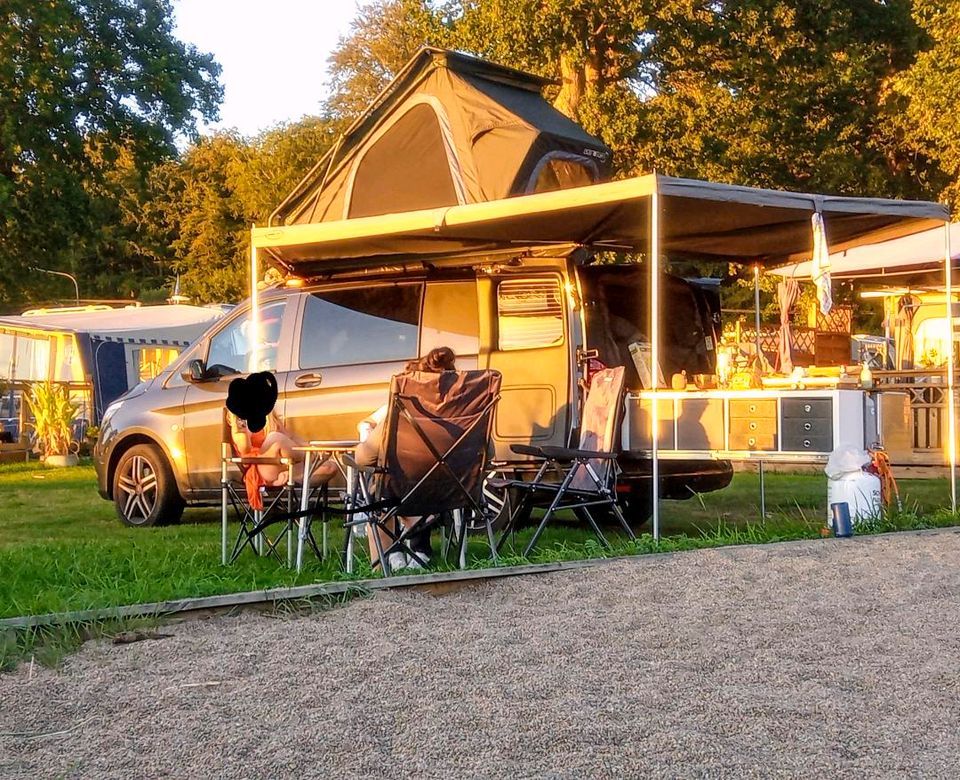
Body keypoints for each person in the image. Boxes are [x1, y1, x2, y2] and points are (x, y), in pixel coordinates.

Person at [355, 346, 457, 571]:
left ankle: (391, 554)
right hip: (453, 492)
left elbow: (364, 457)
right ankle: (417, 545)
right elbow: (487, 452)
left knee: (382, 484)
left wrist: (367, 437)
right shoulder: (466, 409)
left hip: (402, 491)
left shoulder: (401, 410)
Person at [228, 409, 337, 510]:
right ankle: (311, 456)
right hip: (262, 467)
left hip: (286, 464)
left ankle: (299, 469)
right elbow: (244, 448)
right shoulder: (239, 421)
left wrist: (311, 446)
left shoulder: (268, 415)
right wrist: (243, 432)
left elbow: (290, 438)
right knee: (275, 438)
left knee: (330, 467)